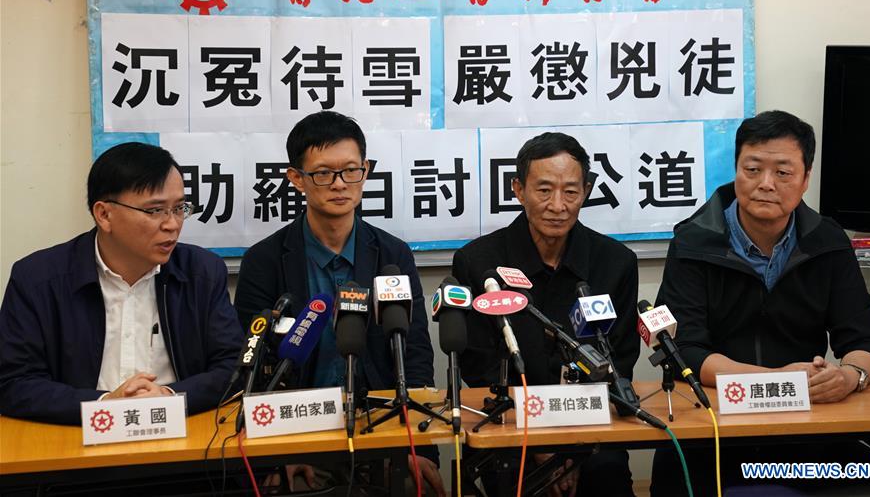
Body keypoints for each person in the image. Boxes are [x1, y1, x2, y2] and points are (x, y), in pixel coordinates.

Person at [651, 110, 870, 495]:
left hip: (805, 433)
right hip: (713, 429)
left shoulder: (827, 241)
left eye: (783, 172)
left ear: (805, 179)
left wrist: (848, 377)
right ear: (735, 170)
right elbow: (684, 350)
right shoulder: (694, 242)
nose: (766, 184)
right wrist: (778, 382)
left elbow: (866, 340)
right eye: (753, 169)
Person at [234, 110, 443, 495]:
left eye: (351, 171)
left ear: (365, 170)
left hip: (381, 427)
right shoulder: (264, 261)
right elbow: (252, 363)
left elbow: (413, 353)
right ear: (296, 178)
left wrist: (416, 442)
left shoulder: (391, 254)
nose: (339, 184)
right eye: (322, 174)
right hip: (298, 430)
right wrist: (279, 451)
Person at [0, 142, 244, 424]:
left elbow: (234, 368)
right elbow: (13, 383)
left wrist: (168, 396)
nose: (172, 224)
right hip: (76, 440)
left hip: (181, 441)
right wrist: (105, 404)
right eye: (155, 211)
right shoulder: (38, 279)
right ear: (104, 214)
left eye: (179, 208)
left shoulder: (202, 272)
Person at [453, 132, 640, 497]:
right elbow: (477, 365)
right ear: (518, 190)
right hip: (510, 432)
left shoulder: (615, 263)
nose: (558, 205)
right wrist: (540, 444)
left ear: (585, 191)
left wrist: (571, 447)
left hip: (592, 434)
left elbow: (620, 360)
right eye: (544, 191)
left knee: (606, 473)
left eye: (571, 192)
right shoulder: (478, 263)